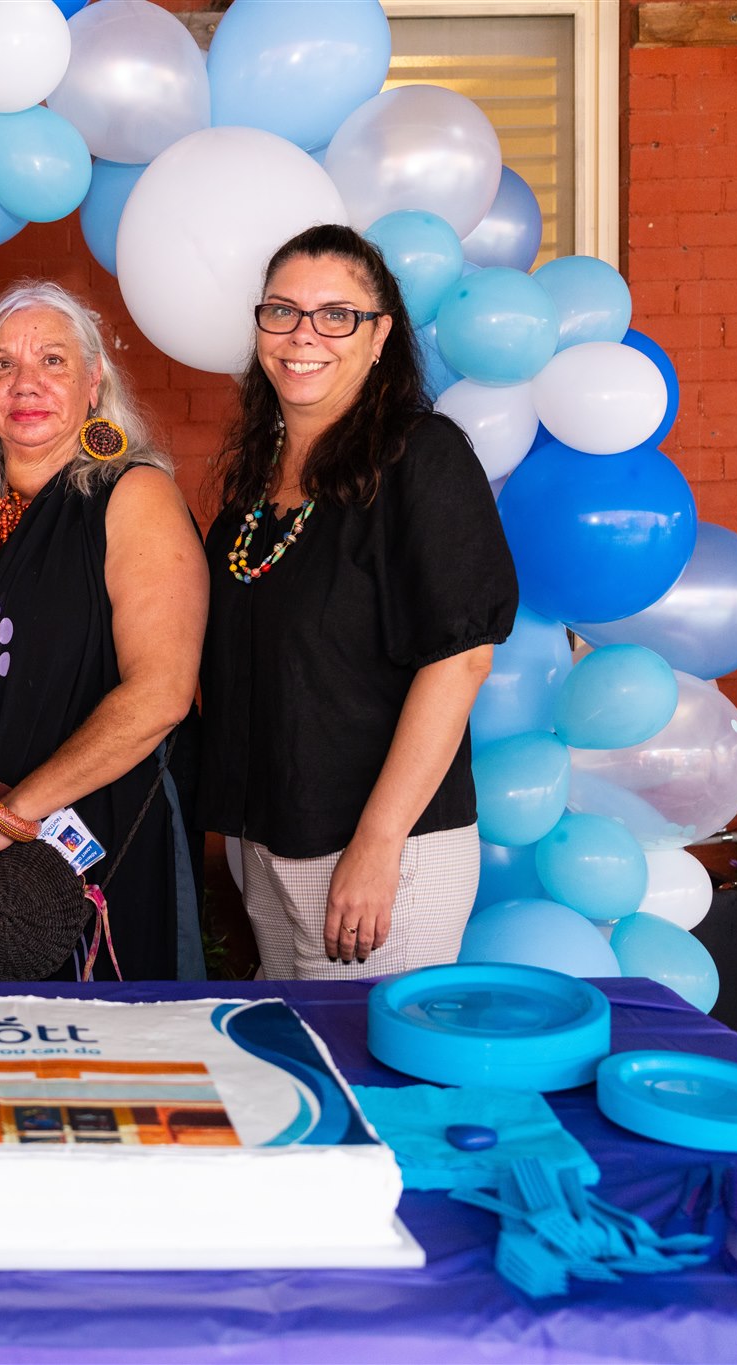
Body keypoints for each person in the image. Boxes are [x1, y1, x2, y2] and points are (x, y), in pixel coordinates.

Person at [200, 224, 519, 980]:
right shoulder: (255, 489)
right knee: (302, 1072)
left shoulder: (421, 457)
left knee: (370, 1086)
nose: (303, 334)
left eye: (336, 314)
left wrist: (377, 845)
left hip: (381, 850)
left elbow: (462, 658)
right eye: (281, 311)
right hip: (270, 841)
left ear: (379, 338)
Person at [0, 281, 207, 981]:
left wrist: (8, 815)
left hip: (90, 868)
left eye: (53, 362)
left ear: (94, 382)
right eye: (2, 365)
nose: (25, 383)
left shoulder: (133, 493)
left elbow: (161, 693)